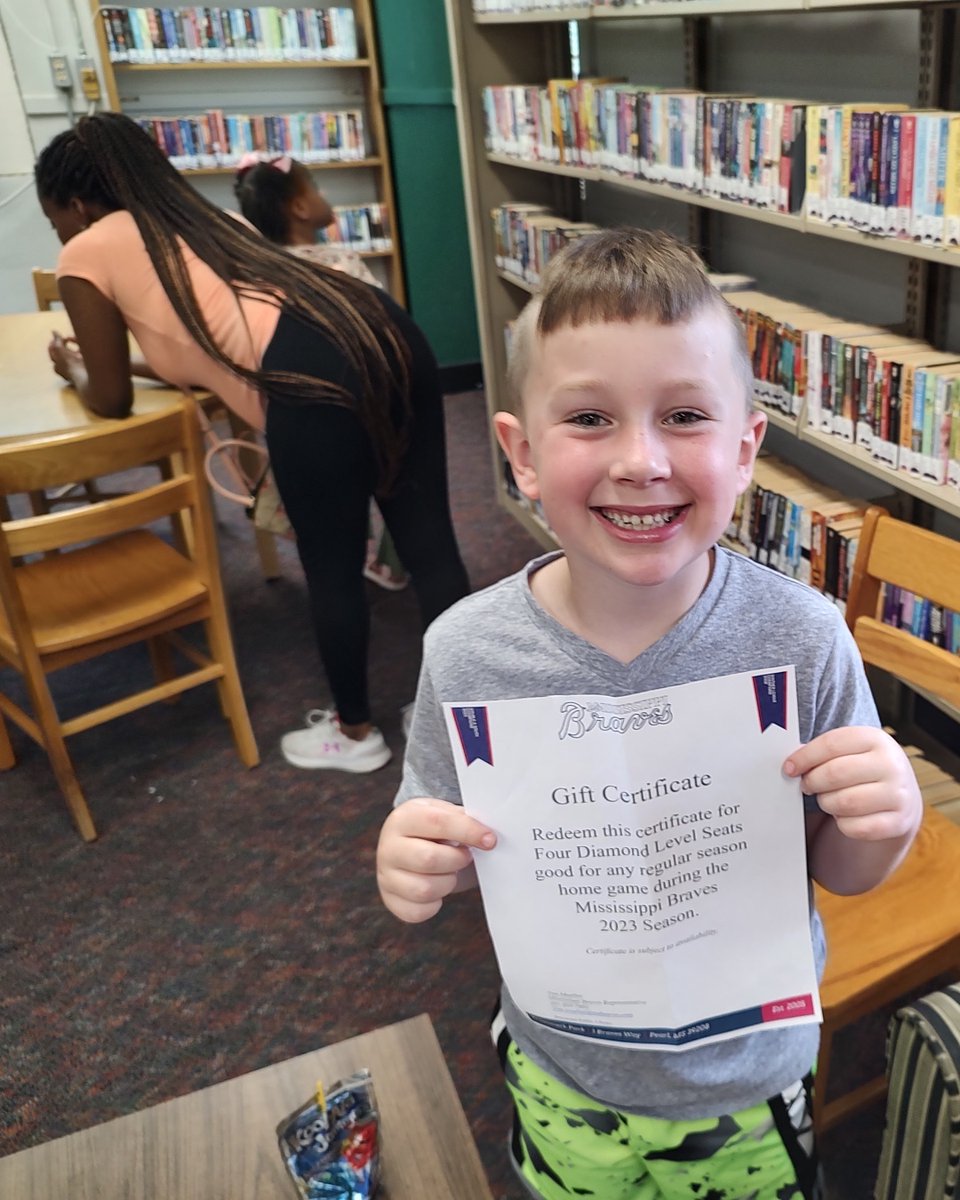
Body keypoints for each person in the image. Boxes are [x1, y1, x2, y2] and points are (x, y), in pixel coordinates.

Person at [376, 228, 922, 1198]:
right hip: (565, 1069)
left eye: (683, 416)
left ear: (746, 448)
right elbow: (453, 845)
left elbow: (836, 866)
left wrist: (885, 821)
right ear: (523, 453)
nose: (640, 460)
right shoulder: (466, 653)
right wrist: (418, 862)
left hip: (745, 1079)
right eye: (589, 417)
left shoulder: (800, 638)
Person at [35, 112, 470, 773]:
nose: (60, 233)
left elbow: (111, 396)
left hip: (308, 375)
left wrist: (73, 369)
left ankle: (356, 736)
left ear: (73, 203)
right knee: (429, 541)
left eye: (54, 220)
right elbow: (203, 340)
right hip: (381, 327)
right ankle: (464, 719)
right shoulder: (209, 219)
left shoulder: (86, 250)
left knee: (330, 565)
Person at [232, 152, 407, 591]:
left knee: (329, 525)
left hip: (301, 417)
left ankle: (351, 559)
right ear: (299, 209)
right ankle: (390, 560)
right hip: (367, 404)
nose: (324, 195)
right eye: (315, 187)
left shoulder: (254, 277)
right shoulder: (342, 263)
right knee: (392, 482)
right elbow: (386, 329)